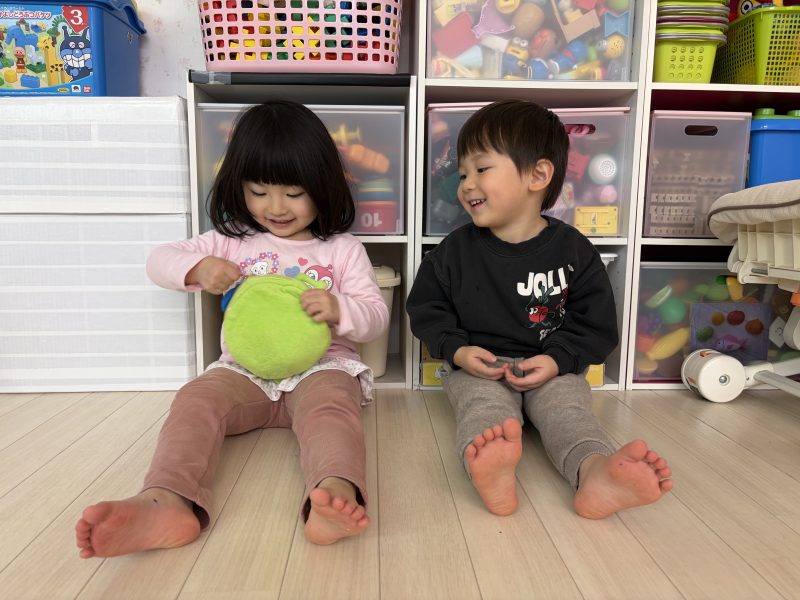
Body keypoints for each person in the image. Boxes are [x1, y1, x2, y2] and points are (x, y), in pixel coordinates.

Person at [75, 101, 389, 557]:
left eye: (293, 192)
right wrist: (198, 268)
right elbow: (159, 260)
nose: (275, 207)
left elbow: (376, 316)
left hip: (322, 368)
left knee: (332, 410)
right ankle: (167, 500)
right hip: (244, 373)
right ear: (239, 186)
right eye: (259, 191)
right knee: (196, 399)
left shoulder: (342, 249)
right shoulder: (230, 240)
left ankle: (334, 494)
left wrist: (340, 308)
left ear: (322, 185)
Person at [407, 99, 672, 518]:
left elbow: (595, 323)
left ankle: (594, 474)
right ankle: (489, 470)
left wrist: (557, 360)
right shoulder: (453, 252)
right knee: (484, 411)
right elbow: (426, 307)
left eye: (481, 169)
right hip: (482, 368)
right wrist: (457, 351)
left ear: (538, 175)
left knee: (568, 413)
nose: (467, 184)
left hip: (552, 368)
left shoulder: (574, 250)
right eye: (462, 174)